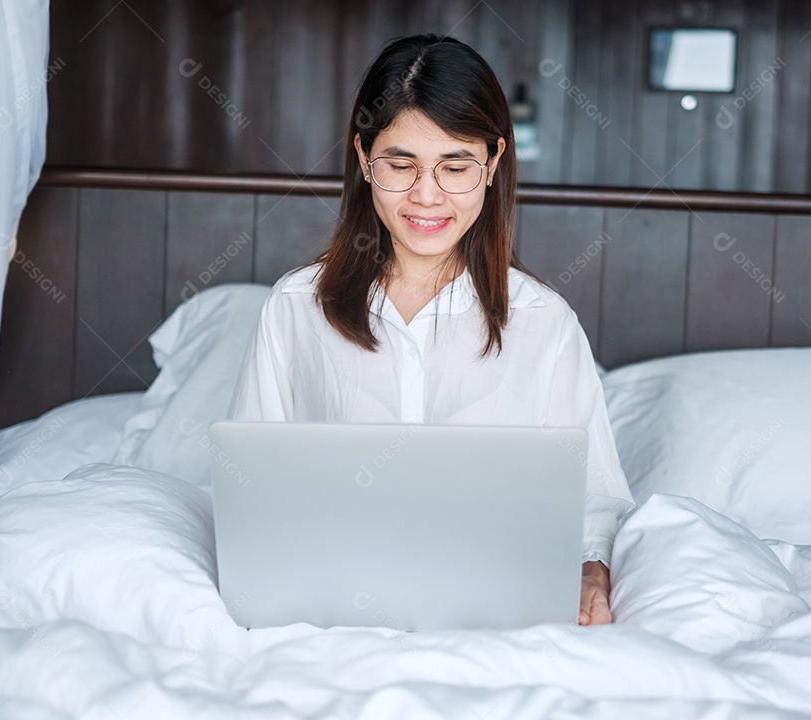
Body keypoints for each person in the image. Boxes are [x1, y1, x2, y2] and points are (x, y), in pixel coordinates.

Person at [229, 34, 634, 626]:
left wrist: (590, 575)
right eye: (401, 164)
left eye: (455, 166)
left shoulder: (546, 324)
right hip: (330, 613)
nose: (426, 195)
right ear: (365, 159)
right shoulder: (294, 310)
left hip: (497, 615)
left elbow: (595, 507)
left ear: (493, 163)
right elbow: (250, 491)